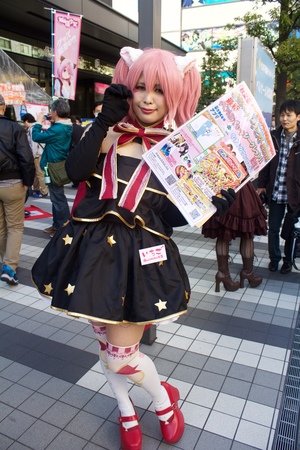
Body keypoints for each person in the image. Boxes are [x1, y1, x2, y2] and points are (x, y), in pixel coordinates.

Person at [31, 47, 235, 450]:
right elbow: (72, 173)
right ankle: (128, 412)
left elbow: (170, 216)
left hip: (140, 263)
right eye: (140, 86)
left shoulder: (178, 150)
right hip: (90, 258)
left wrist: (211, 205)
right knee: (108, 350)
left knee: (122, 356)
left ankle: (163, 404)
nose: (147, 98)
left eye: (160, 90)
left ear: (176, 95)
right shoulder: (108, 134)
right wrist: (104, 119)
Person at [258, 99, 300, 274]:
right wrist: (261, 185)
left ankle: (288, 261)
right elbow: (266, 163)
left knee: (291, 230)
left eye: (289, 115)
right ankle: (274, 259)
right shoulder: (273, 136)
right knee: (273, 229)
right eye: (282, 114)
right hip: (275, 191)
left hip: (294, 194)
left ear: (298, 117)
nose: (284, 118)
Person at [202, 181, 267, 292]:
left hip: (221, 188)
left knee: (223, 233)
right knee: (247, 233)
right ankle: (248, 273)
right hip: (243, 189)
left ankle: (223, 274)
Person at [0, 94, 35, 285]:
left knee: (0, 226)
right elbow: (26, 157)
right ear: (4, 107)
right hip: (13, 182)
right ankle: (9, 266)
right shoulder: (15, 128)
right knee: (14, 226)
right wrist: (28, 181)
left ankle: (6, 260)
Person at [32, 99, 72, 238]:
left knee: (58, 198)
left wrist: (38, 121)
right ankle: (57, 225)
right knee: (56, 197)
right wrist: (52, 119)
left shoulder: (58, 129)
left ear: (55, 111)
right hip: (56, 165)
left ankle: (64, 228)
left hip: (53, 166)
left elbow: (36, 136)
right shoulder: (65, 126)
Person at [21, 113, 48, 198]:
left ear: (26, 121)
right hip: (39, 154)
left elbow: (34, 145)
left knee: (40, 174)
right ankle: (36, 189)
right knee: (36, 174)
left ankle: (44, 191)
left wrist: (31, 157)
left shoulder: (33, 129)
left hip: (37, 155)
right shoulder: (36, 127)